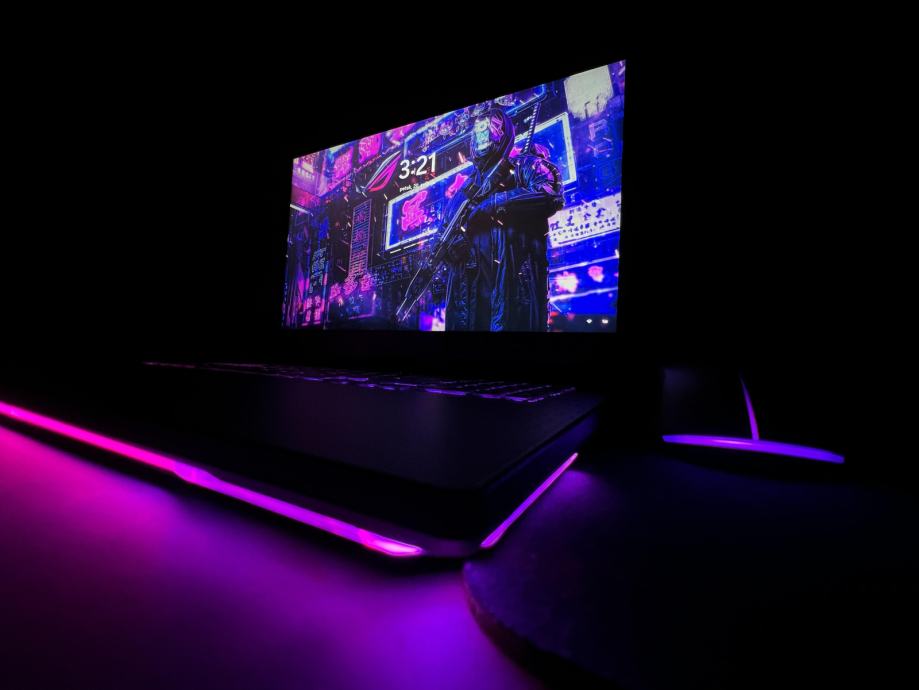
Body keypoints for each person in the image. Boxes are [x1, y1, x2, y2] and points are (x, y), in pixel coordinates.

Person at [443, 107, 563, 331]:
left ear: (501, 132)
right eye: (479, 132)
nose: (482, 137)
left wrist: (496, 202)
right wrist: (451, 249)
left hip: (514, 294)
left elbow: (550, 194)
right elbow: (443, 239)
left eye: (488, 130)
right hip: (468, 304)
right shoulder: (463, 191)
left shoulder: (523, 166)